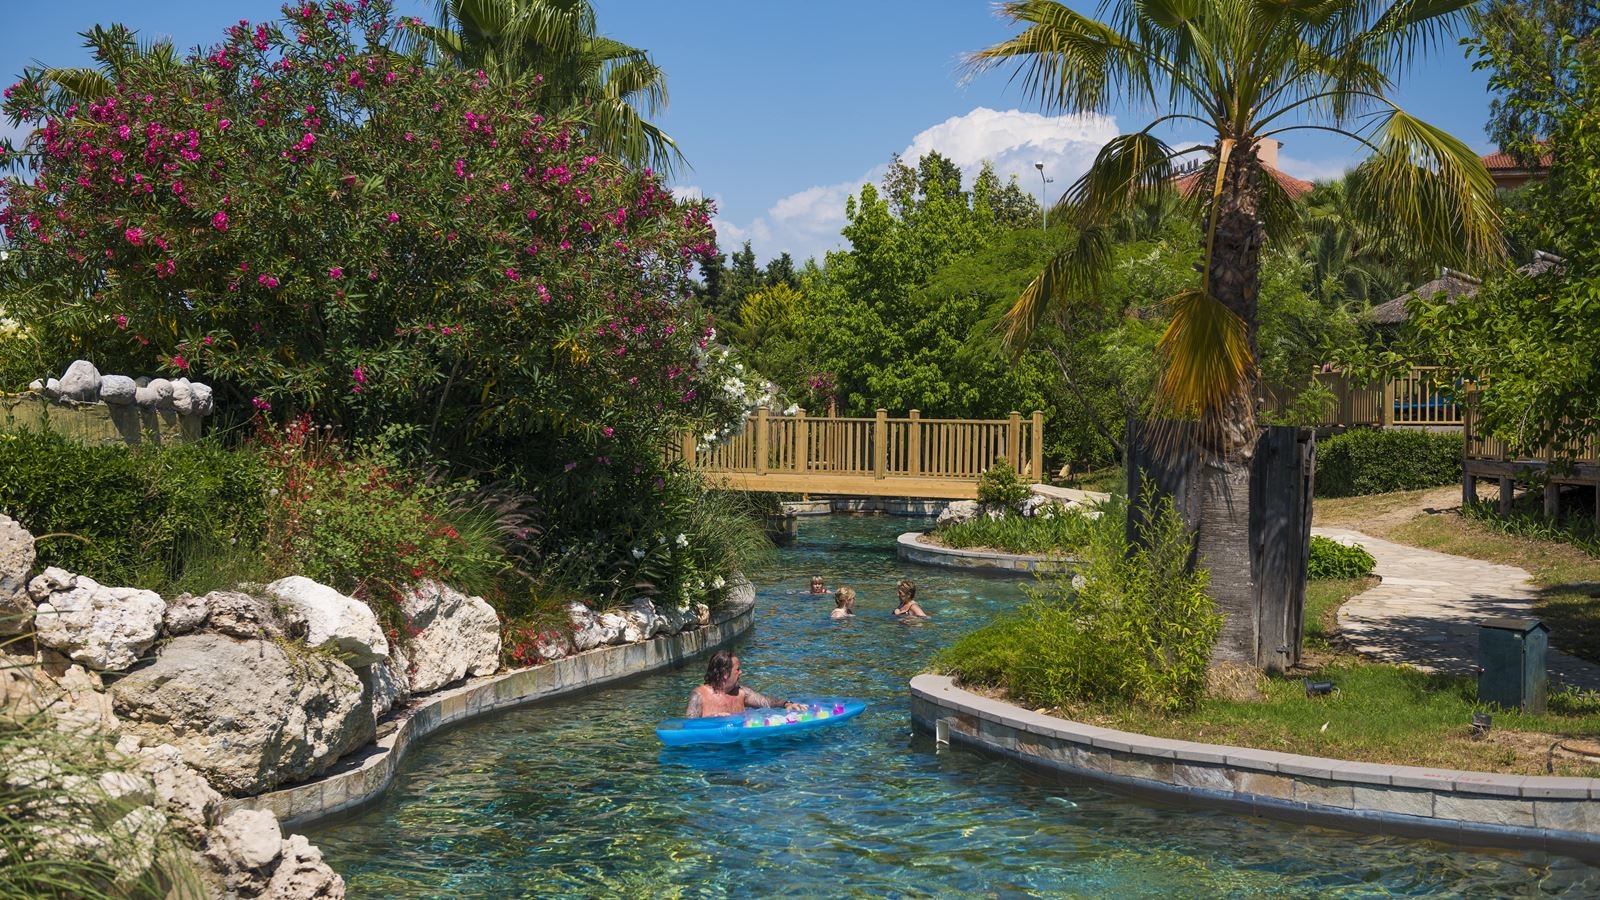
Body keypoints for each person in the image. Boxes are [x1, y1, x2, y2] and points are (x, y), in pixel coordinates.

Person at [684, 650, 803, 718]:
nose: (741, 672)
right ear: (725, 673)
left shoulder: (742, 693)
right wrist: (712, 719)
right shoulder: (699, 695)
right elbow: (689, 725)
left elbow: (766, 702)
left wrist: (787, 704)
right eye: (737, 669)